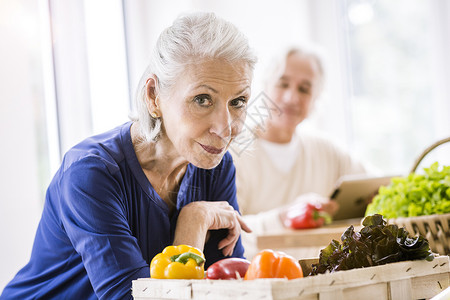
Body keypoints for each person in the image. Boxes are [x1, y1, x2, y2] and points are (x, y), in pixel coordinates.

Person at [1, 12, 256, 299]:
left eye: (238, 102)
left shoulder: (215, 166)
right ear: (153, 96)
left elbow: (228, 288)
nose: (225, 128)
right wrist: (193, 223)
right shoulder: (90, 174)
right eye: (202, 99)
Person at [232, 45, 369, 257]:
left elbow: (373, 185)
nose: (291, 98)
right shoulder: (232, 153)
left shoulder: (328, 152)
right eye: (283, 84)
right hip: (258, 282)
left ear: (316, 98)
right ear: (264, 86)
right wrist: (283, 218)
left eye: (304, 89)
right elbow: (225, 233)